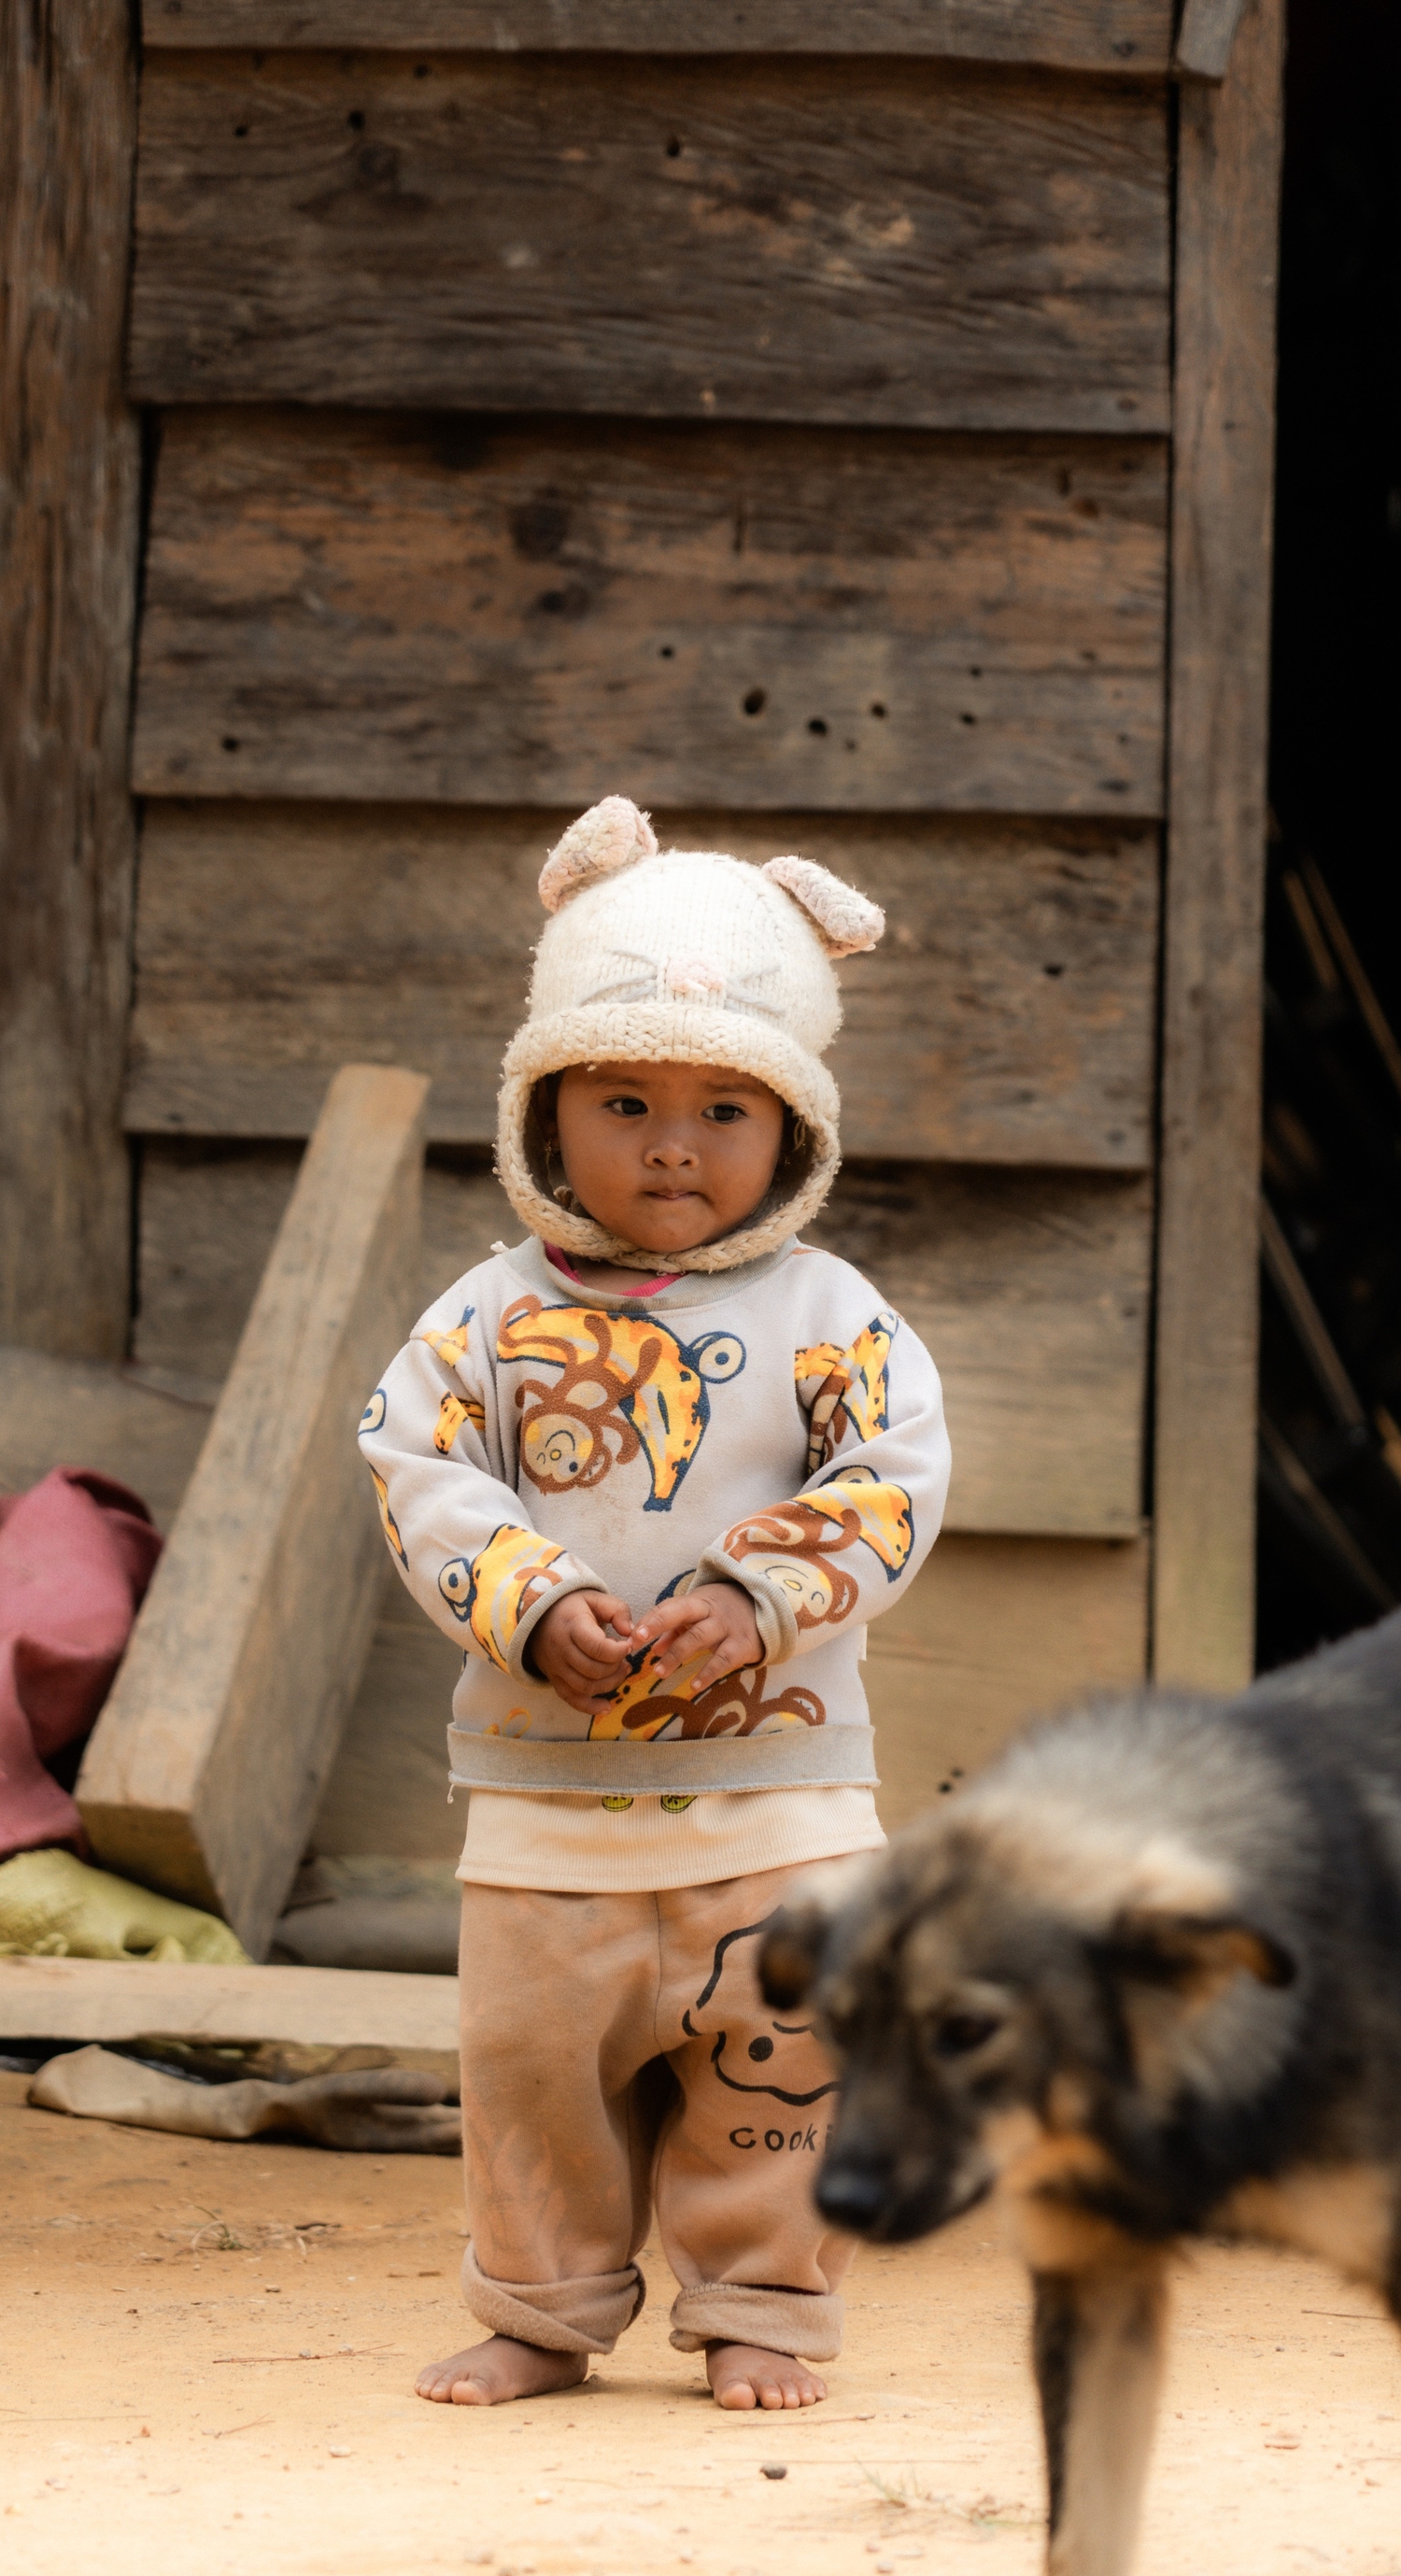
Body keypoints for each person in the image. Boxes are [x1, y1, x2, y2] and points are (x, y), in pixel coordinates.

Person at [360, 798, 951, 2412]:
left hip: (787, 1790)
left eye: (722, 1111)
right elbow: (421, 1474)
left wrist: (762, 1597)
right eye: (622, 1100)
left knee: (790, 2066)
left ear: (796, 1133)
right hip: (545, 1804)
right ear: (544, 1111)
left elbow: (894, 1482)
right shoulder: (485, 1317)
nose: (672, 1147)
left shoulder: (841, 1318)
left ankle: (764, 2296)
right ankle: (542, 2308)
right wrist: (530, 1601)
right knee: (530, 2070)